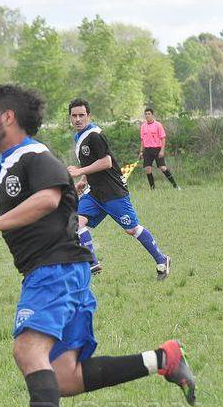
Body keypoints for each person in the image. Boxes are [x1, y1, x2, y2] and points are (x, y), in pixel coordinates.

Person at [0, 84, 197, 407]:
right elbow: (4, 189)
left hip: (54, 269)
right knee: (64, 378)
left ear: (7, 117)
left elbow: (48, 198)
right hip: (64, 269)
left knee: (28, 350)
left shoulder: (36, 155)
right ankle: (163, 359)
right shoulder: (14, 161)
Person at [67, 99, 171, 279]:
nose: (78, 119)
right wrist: (83, 180)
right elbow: (90, 161)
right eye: (74, 115)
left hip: (113, 192)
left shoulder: (94, 135)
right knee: (74, 223)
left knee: (132, 229)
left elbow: (106, 162)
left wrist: (79, 171)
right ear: (70, 117)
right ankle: (93, 263)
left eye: (81, 115)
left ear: (89, 116)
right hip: (94, 193)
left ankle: (162, 259)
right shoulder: (79, 137)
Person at [137, 107, 180, 190]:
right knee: (147, 169)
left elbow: (163, 138)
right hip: (147, 150)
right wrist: (141, 151)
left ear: (152, 115)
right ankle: (153, 188)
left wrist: (162, 150)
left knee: (163, 167)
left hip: (157, 149)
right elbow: (142, 140)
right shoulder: (143, 126)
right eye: (146, 114)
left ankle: (175, 186)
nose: (147, 116)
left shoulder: (158, 125)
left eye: (149, 114)